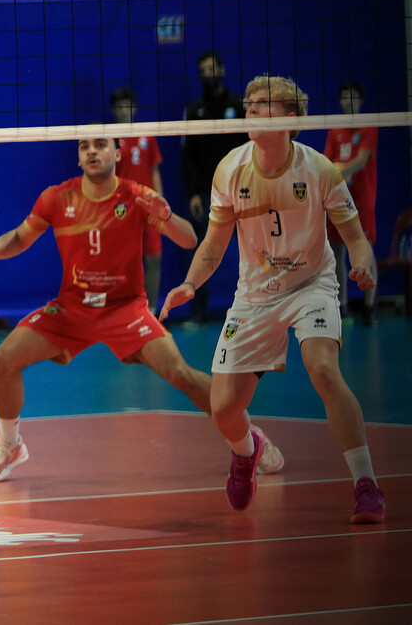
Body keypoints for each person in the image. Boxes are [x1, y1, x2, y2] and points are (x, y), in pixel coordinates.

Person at [0, 134, 284, 484]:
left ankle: (249, 438)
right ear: (78, 158)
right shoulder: (57, 197)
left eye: (100, 144)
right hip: (72, 307)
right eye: (84, 147)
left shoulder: (136, 196)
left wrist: (168, 216)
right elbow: (20, 237)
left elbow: (189, 240)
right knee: (4, 359)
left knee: (180, 374)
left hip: (126, 309)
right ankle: (10, 444)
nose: (91, 151)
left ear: (117, 153)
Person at [160, 75, 385, 524]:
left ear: (290, 118)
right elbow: (213, 244)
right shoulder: (230, 169)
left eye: (264, 104)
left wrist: (364, 265)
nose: (251, 109)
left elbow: (356, 239)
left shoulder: (320, 170)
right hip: (255, 295)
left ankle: (366, 485)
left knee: (324, 370)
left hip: (311, 285)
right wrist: (190, 283)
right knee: (224, 408)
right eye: (249, 103)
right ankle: (249, 451)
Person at [180, 51, 246, 320]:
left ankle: (259, 305)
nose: (208, 74)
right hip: (209, 192)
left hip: (243, 190)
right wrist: (193, 193)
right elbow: (188, 157)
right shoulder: (194, 110)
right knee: (205, 249)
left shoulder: (239, 105)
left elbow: (252, 149)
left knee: (255, 247)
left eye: (211, 69)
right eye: (203, 70)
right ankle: (198, 309)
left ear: (222, 69)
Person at [324, 81, 378, 325]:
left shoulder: (369, 125)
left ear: (361, 100)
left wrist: (338, 171)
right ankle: (342, 305)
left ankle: (369, 307)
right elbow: (326, 161)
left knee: (365, 248)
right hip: (338, 198)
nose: (349, 100)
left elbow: (361, 160)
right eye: (345, 96)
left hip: (362, 197)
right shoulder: (334, 128)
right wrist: (332, 173)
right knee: (337, 252)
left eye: (353, 96)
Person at [109, 87, 164, 309]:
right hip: (123, 206)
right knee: (126, 261)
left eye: (128, 105)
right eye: (120, 106)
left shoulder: (146, 134)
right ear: (114, 110)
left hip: (148, 205)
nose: (124, 110)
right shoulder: (111, 138)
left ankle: (151, 310)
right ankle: (128, 310)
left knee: (154, 257)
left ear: (135, 108)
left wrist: (160, 200)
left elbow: (154, 170)